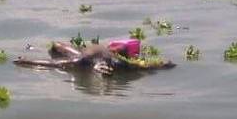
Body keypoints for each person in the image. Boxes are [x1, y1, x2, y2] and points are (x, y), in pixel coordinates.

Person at [15, 38, 174, 75]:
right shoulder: (82, 61)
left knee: (62, 51)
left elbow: (52, 64)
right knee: (57, 46)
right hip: (94, 54)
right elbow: (52, 64)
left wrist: (26, 61)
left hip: (96, 55)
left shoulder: (120, 63)